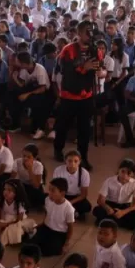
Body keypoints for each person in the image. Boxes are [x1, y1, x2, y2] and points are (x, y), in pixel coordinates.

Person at [53, 20, 98, 170]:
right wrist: (83, 67)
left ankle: (83, 157)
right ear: (79, 33)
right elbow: (66, 71)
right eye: (87, 31)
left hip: (86, 96)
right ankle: (58, 149)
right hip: (69, 95)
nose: (90, 34)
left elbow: (99, 67)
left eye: (91, 31)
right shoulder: (68, 50)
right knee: (63, 125)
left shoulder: (95, 50)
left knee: (84, 129)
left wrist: (101, 71)